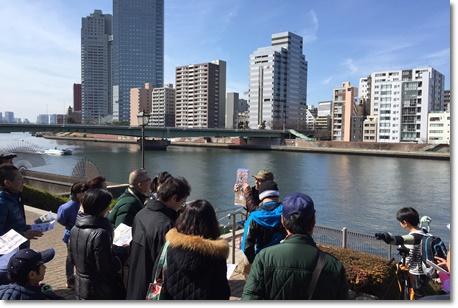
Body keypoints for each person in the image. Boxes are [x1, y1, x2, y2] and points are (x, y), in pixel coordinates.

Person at [242, 193, 348, 300]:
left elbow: (249, 298)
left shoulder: (264, 258)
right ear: (314, 220)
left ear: (282, 220)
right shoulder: (333, 266)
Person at [126, 176, 191, 300]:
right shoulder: (167, 225)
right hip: (154, 291)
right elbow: (169, 266)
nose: (183, 205)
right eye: (182, 201)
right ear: (174, 198)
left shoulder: (140, 214)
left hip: (135, 282)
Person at [160, 200, 230, 300]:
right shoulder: (216, 254)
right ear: (211, 222)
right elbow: (222, 292)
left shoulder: (171, 247)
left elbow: (165, 279)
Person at [69, 189, 125, 300]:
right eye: (108, 205)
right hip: (98, 291)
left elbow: (72, 259)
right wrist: (121, 253)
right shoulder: (100, 233)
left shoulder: (74, 229)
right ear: (102, 208)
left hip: (80, 287)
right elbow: (106, 268)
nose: (109, 209)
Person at [375, 207, 432, 299]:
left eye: (400, 221)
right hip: (424, 273)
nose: (400, 223)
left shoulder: (415, 237)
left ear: (405, 222)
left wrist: (385, 237)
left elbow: (398, 240)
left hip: (415, 273)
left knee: (416, 296)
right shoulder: (425, 233)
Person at [240, 180, 286, 264]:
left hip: (261, 260)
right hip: (283, 260)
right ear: (277, 195)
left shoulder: (254, 217)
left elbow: (246, 246)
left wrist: (255, 264)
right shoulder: (287, 212)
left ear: (261, 197)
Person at [0, 164, 43, 245]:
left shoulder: (16, 197)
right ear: (8, 183)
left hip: (21, 249)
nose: (23, 182)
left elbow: (15, 225)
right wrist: (24, 235)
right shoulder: (2, 203)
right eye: (19, 179)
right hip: (10, 255)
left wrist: (30, 227)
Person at [56, 182, 87, 289]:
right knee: (71, 258)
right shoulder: (68, 207)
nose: (86, 194)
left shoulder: (81, 203)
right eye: (84, 192)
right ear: (78, 194)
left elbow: (60, 220)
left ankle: (75, 278)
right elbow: (60, 220)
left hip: (77, 234)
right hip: (71, 236)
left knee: (74, 258)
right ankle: (70, 279)